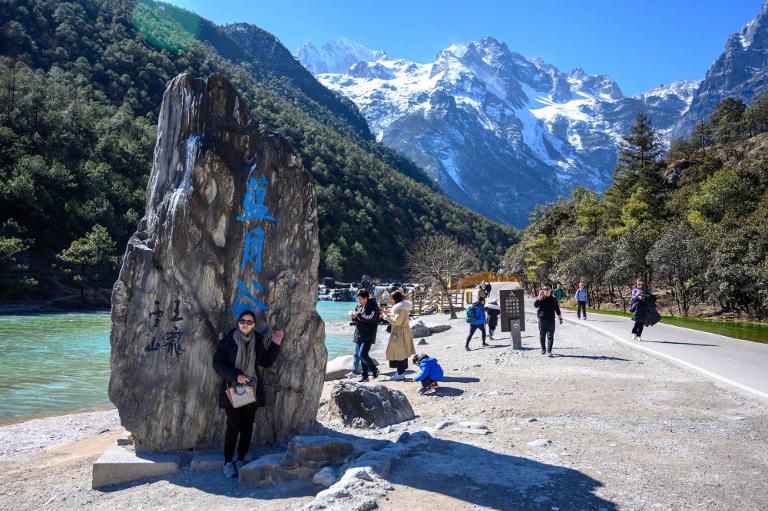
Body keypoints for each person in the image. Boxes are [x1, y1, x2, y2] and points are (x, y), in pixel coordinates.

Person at [213, 310, 284, 478]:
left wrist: (276, 343)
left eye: (249, 322)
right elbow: (217, 364)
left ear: (253, 325)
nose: (245, 324)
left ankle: (241, 458)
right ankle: (228, 462)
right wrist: (236, 375)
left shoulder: (257, 341)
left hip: (251, 389)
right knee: (233, 427)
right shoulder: (228, 341)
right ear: (238, 322)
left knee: (247, 427)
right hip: (233, 389)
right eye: (243, 321)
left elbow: (265, 362)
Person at [382, 290, 416, 381]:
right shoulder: (402, 306)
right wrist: (389, 313)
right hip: (404, 331)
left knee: (399, 352)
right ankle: (401, 372)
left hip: (399, 332)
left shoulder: (399, 308)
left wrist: (386, 317)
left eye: (391, 299)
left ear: (395, 299)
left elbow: (397, 321)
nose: (390, 300)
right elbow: (398, 318)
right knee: (403, 352)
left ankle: (400, 373)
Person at [350, 289, 380, 382]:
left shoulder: (373, 306)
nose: (359, 301)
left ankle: (375, 370)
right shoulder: (359, 306)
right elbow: (357, 321)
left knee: (363, 354)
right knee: (361, 355)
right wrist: (353, 317)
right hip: (359, 333)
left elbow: (370, 318)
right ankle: (364, 376)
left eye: (361, 299)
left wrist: (358, 315)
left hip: (368, 334)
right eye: (358, 299)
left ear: (366, 298)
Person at [533, 283, 563, 357]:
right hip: (542, 319)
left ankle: (549, 351)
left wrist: (560, 318)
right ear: (543, 290)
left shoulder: (554, 299)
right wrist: (538, 297)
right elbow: (535, 305)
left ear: (551, 290)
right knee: (542, 335)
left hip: (551, 320)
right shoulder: (541, 298)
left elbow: (557, 309)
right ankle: (543, 349)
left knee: (550, 335)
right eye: (545, 289)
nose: (546, 290)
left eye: (548, 289)